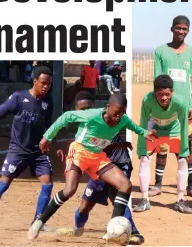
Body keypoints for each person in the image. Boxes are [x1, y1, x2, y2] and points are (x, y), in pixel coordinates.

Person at [27, 93, 156, 242]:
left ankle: (112, 230)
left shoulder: (123, 119)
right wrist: (47, 137)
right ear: (108, 107)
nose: (119, 116)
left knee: (125, 185)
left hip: (98, 156)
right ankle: (40, 221)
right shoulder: (91, 115)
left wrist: (146, 133)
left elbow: (134, 127)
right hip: (80, 152)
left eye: (122, 112)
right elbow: (66, 117)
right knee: (69, 190)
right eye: (116, 112)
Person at [54, 91, 145, 245]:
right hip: (100, 168)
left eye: (87, 109)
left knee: (116, 197)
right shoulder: (88, 125)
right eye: (81, 110)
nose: (84, 113)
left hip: (116, 164)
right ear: (75, 109)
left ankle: (133, 233)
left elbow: (102, 147)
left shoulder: (107, 120)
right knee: (85, 205)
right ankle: (77, 229)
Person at [0, 67, 54, 231]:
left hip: (38, 151)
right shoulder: (19, 98)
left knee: (47, 183)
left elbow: (48, 127)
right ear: (35, 81)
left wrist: (48, 140)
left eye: (49, 84)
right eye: (43, 83)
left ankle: (37, 222)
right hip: (18, 150)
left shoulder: (48, 102)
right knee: (5, 182)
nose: (46, 86)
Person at [152, 15, 192, 199]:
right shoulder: (160, 51)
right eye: (178, 28)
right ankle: (157, 184)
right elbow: (157, 80)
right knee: (163, 145)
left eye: (184, 29)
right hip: (164, 107)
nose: (181, 32)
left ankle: (191, 185)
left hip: (184, 109)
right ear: (172, 28)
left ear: (188, 30)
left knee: (186, 146)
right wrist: (158, 104)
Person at [133, 75, 192, 214]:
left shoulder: (180, 102)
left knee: (183, 160)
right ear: (155, 92)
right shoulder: (147, 100)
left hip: (174, 130)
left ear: (172, 92)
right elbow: (143, 122)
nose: (164, 98)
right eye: (160, 94)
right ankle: (145, 199)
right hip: (154, 129)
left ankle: (180, 200)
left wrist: (185, 150)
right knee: (144, 159)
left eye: (167, 94)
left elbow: (184, 126)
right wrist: (142, 149)